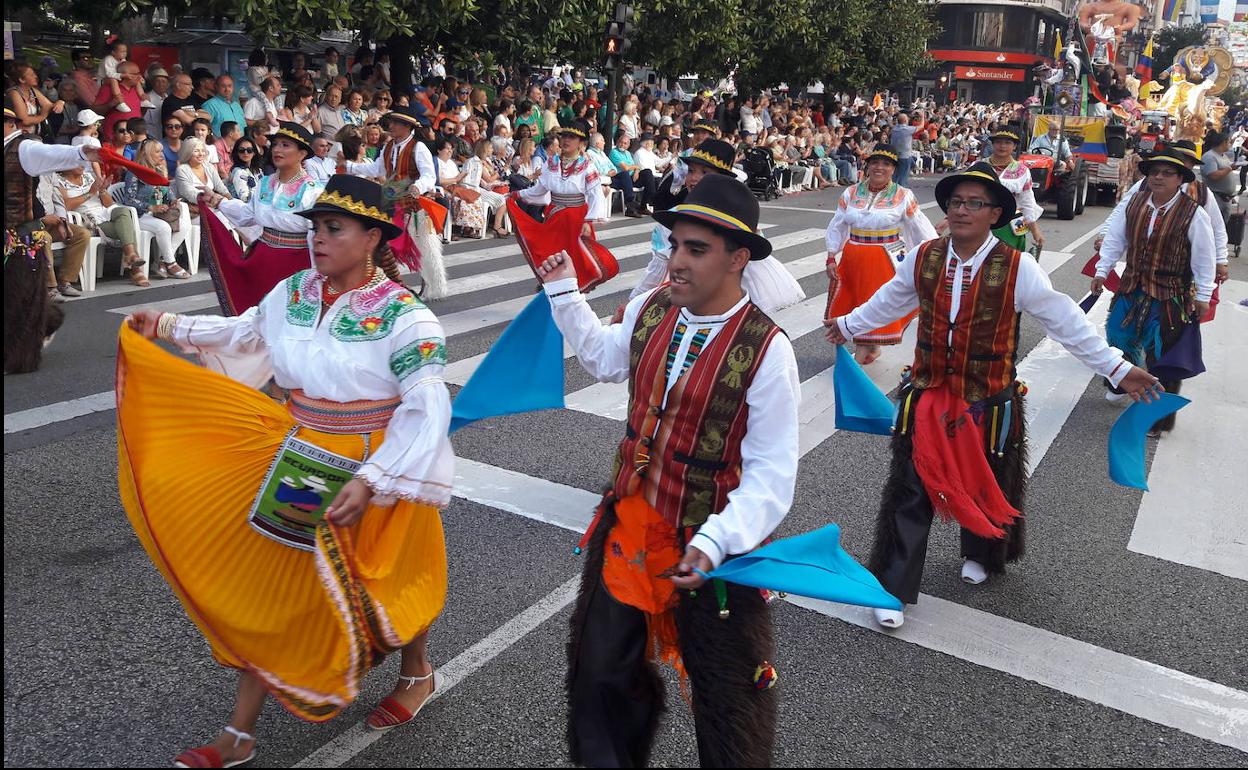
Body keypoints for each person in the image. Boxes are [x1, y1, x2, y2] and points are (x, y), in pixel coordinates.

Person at [118, 175, 454, 767]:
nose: (316, 240)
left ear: (373, 237)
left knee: (387, 577)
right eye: (314, 228)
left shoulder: (407, 316)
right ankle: (239, 732)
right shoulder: (296, 289)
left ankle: (417, 673)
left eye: (333, 229)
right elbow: (246, 333)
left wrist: (376, 478)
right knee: (273, 577)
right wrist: (169, 326)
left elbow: (427, 404)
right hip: (301, 455)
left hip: (375, 459)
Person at [535, 173, 799, 767]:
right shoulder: (654, 307)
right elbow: (604, 359)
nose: (675, 261)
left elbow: (771, 478)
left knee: (728, 700)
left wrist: (716, 541)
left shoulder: (767, 349)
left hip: (712, 545)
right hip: (630, 526)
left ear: (738, 259)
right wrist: (563, 293)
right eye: (674, 244)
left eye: (695, 250)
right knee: (600, 672)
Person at [825, 162, 1161, 629]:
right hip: (927, 393)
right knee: (910, 488)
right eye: (956, 202)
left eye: (974, 203)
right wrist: (845, 325)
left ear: (994, 213)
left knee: (988, 480)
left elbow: (1064, 321)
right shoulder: (924, 256)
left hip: (988, 397)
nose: (961, 210)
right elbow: (889, 302)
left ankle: (983, 552)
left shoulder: (1017, 267)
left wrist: (1118, 368)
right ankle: (892, 587)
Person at [1093, 147, 1217, 434]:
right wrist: (1102, 270)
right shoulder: (1134, 203)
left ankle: (1156, 420)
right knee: (1118, 336)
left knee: (1161, 355)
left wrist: (1202, 295)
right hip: (1132, 285)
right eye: (1154, 172)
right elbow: (1115, 239)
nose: (1159, 177)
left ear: (1179, 179)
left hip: (1170, 293)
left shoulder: (1193, 212)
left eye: (1167, 173)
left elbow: (1203, 256)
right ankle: (1126, 379)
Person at [629, 138, 806, 315]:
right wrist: (633, 304)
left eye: (705, 172)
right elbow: (659, 265)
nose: (694, 178)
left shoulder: (736, 211)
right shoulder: (680, 216)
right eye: (691, 171)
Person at [4, 107, 100, 371]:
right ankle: (47, 319)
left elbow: (51, 153)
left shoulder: (23, 148)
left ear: (11, 123)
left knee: (18, 295)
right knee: (18, 296)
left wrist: (80, 153)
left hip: (21, 236)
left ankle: (20, 357)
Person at [825, 147, 938, 364]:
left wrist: (932, 255)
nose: (879, 167)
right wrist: (831, 256)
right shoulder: (850, 193)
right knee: (855, 301)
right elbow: (837, 225)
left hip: (884, 259)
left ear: (894, 169)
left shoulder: (903, 195)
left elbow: (920, 227)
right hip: (853, 257)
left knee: (875, 303)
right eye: (875, 162)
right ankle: (871, 346)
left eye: (886, 164)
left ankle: (863, 350)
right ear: (867, 166)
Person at [207, 122, 322, 313]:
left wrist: (318, 275)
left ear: (302, 154)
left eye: (286, 145)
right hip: (262, 259)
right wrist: (218, 201)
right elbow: (247, 215)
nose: (277, 149)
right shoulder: (265, 183)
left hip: (296, 265)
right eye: (276, 144)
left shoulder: (312, 190)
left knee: (289, 316)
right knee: (259, 316)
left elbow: (316, 235)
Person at [340, 104, 446, 298]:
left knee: (424, 247)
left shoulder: (418, 147)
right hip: (390, 202)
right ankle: (388, 285)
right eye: (392, 122)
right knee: (385, 244)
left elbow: (429, 176)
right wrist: (349, 166)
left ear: (407, 126)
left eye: (396, 123)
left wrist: (418, 186)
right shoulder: (388, 146)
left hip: (414, 205)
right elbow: (376, 170)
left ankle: (434, 286)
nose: (392, 126)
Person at [938, 128, 1044, 254]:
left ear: (1014, 146)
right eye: (998, 142)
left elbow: (1027, 202)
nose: (1002, 146)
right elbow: (961, 197)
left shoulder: (1022, 171)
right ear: (992, 144)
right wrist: (946, 222)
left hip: (1009, 227)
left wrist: (1035, 231)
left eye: (1007, 143)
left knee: (1006, 266)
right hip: (976, 221)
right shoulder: (977, 166)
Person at [515, 119, 609, 230]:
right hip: (554, 217)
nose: (566, 140)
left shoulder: (587, 166)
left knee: (576, 247)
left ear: (581, 143)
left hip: (577, 219)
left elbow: (596, 194)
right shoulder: (550, 163)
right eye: (564, 136)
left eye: (572, 137)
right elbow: (540, 188)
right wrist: (518, 194)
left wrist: (588, 221)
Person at [174, 137, 231, 217]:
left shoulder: (209, 166)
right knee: (220, 217)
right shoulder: (182, 170)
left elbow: (220, 187)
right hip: (193, 211)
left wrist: (230, 199)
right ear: (188, 153)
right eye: (196, 151)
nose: (201, 154)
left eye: (202, 150)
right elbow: (188, 193)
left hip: (211, 205)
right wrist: (210, 197)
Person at [7, 62, 64, 136]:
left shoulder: (32, 91)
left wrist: (60, 102)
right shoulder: (14, 93)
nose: (36, 76)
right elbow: (24, 120)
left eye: (34, 73)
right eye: (31, 75)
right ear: (22, 79)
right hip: (19, 138)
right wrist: (42, 116)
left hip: (34, 135)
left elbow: (50, 106)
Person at [1199, 131, 1237, 225]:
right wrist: (1230, 168)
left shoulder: (1223, 156)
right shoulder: (1209, 156)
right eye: (1228, 142)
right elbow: (1213, 176)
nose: (1230, 144)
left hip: (1225, 198)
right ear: (1223, 142)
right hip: (1216, 197)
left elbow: (1224, 170)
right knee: (1214, 224)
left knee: (1222, 225)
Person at [202, 74, 247, 139]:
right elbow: (203, 128)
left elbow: (244, 126)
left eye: (229, 86)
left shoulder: (236, 105)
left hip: (239, 146)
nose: (227, 89)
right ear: (216, 87)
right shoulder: (210, 105)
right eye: (223, 86)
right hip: (220, 147)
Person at [226, 136, 264, 201]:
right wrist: (253, 188)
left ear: (254, 152)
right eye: (241, 150)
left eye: (249, 150)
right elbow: (246, 200)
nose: (245, 153)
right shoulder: (239, 172)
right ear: (237, 153)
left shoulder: (258, 170)